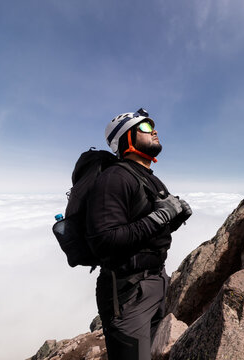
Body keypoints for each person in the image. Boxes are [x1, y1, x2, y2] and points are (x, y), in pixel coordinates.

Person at [86, 108, 192, 359]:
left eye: (153, 126)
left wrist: (174, 219)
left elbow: (145, 233)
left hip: (155, 282)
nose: (154, 130)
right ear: (126, 138)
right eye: (144, 127)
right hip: (128, 292)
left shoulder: (147, 178)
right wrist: (161, 216)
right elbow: (103, 240)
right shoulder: (114, 178)